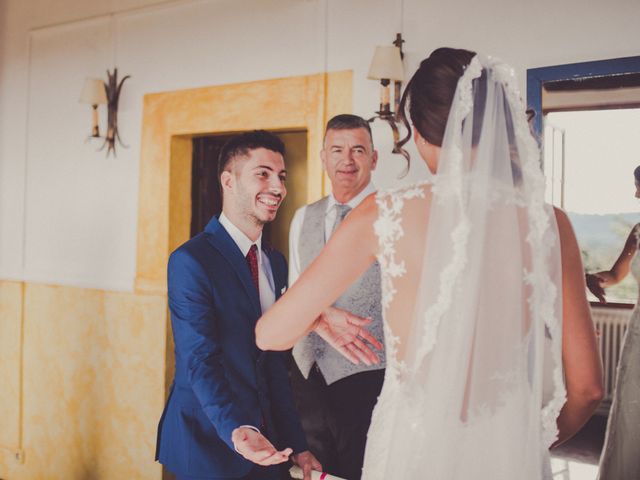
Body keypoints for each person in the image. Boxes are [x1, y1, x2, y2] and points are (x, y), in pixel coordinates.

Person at [256, 48, 603, 479]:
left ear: (417, 133)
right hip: (509, 458)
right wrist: (519, 443)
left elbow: (269, 334)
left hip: (411, 451)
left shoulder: (386, 213)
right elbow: (588, 389)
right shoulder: (552, 223)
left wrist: (317, 319)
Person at [155, 131, 321, 480]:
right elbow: (199, 359)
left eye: (282, 177)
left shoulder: (275, 263)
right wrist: (236, 429)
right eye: (263, 173)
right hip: (206, 444)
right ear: (228, 181)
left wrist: (297, 443)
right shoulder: (190, 261)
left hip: (269, 446)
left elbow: (275, 365)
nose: (278, 187)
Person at [288, 114, 385, 479]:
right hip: (308, 375)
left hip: (372, 376)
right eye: (338, 150)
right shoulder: (303, 217)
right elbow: (296, 290)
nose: (347, 160)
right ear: (323, 158)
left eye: (358, 150)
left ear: (373, 159)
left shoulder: (393, 215)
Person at [586, 165, 640, 480]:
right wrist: (594, 278)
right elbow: (617, 274)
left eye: (638, 186)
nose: (635, 193)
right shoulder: (638, 231)